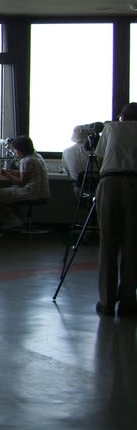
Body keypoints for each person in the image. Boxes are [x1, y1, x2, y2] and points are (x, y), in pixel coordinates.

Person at [93, 102, 137, 317]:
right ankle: (128, 301)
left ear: (122, 117)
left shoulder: (111, 128)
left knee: (108, 243)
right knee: (132, 244)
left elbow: (99, 159)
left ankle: (107, 302)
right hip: (136, 183)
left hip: (109, 182)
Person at [0, 135, 50, 228]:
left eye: (16, 150)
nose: (15, 152)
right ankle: (17, 219)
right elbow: (25, 173)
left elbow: (21, 183)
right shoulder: (37, 156)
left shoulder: (26, 160)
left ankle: (13, 220)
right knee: (10, 193)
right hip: (43, 193)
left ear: (20, 149)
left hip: (31, 193)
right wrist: (7, 171)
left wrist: (5, 174)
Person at [62, 125, 94, 193]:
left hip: (79, 188)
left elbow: (67, 171)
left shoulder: (66, 152)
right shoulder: (94, 151)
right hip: (96, 187)